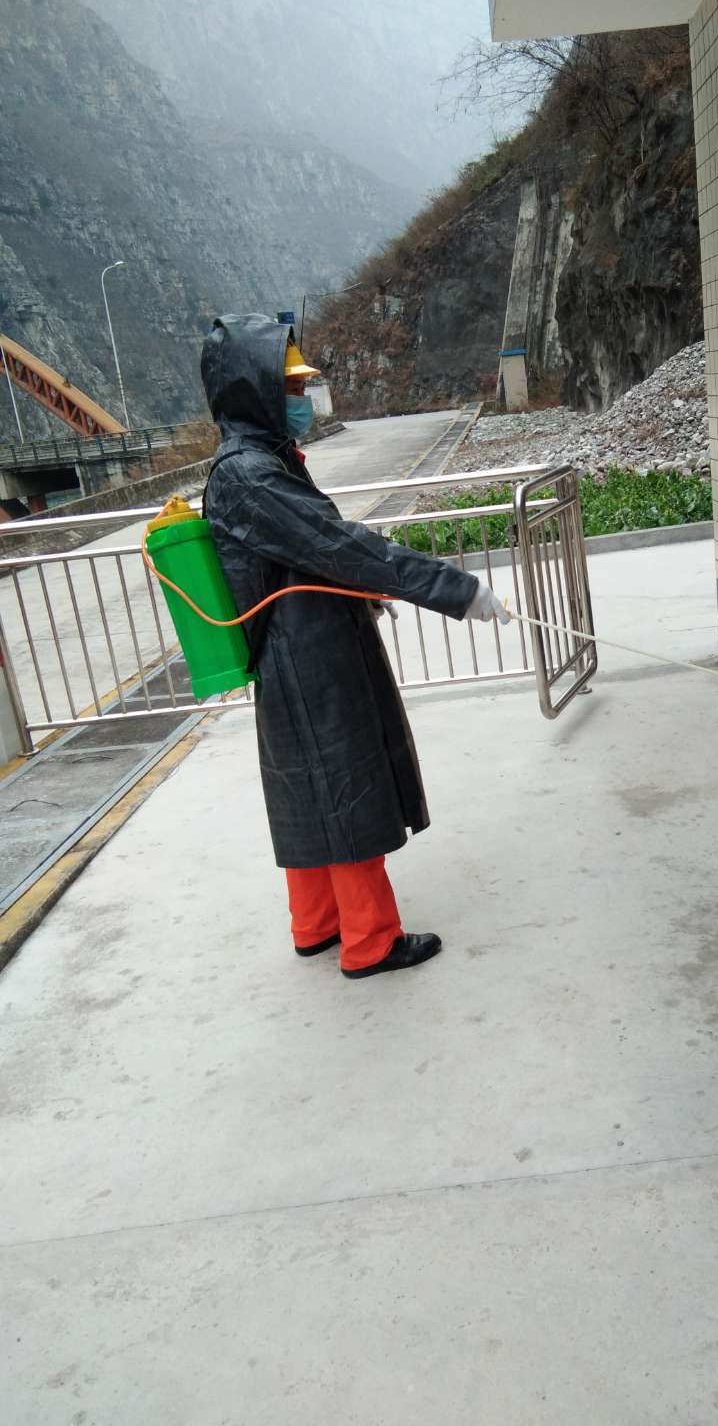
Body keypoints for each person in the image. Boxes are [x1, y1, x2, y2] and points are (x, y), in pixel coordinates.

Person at [200, 313, 509, 979]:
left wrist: (363, 593)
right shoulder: (250, 473)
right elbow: (339, 545)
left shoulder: (259, 461)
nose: (302, 398)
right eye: (289, 387)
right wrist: (455, 590)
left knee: (307, 785)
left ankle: (316, 924)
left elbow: (308, 555)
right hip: (308, 653)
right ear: (253, 391)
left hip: (298, 643)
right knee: (345, 785)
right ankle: (371, 941)